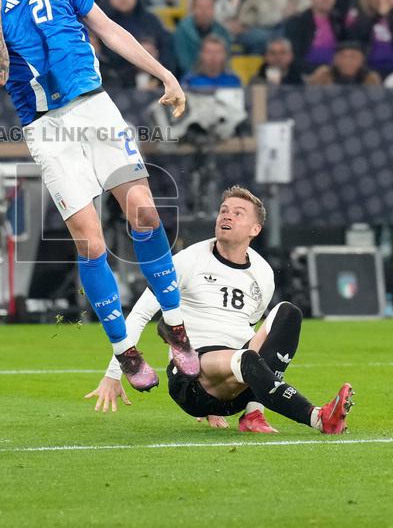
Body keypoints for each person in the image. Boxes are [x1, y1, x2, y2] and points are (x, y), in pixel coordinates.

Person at [0, 0, 198, 390]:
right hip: (46, 126)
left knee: (145, 215)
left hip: (95, 105)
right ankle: (124, 351)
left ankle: (174, 324)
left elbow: (108, 29)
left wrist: (165, 75)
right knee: (90, 241)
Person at [85, 186, 354, 437]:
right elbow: (141, 313)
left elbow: (249, 325)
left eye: (239, 213)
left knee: (288, 313)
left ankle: (253, 413)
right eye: (224, 210)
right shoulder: (188, 260)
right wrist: (113, 373)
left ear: (255, 229)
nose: (228, 216)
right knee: (246, 358)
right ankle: (319, 418)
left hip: (234, 379)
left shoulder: (262, 273)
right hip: (191, 379)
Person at [102, 0, 175, 85]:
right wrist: (137, 55)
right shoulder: (103, 22)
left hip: (155, 78)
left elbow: (166, 45)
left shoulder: (150, 19)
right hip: (118, 81)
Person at [284, 0, 343, 75]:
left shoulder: (339, 20)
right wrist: (317, 72)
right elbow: (294, 58)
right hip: (306, 76)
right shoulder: (297, 22)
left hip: (335, 76)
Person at [306, 40, 382, 85]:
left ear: (361, 61)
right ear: (335, 60)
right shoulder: (322, 76)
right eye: (343, 56)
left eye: (353, 57)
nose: (347, 61)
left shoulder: (371, 79)